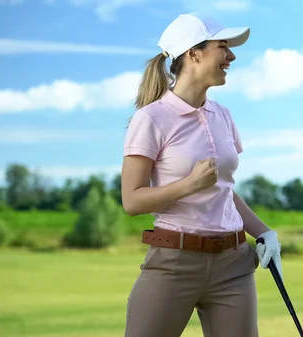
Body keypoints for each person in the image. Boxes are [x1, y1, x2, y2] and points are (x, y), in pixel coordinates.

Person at [120, 12, 282, 337]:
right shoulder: (151, 118)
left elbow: (223, 190)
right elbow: (132, 200)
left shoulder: (223, 115)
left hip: (234, 264)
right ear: (193, 52)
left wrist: (265, 233)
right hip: (174, 262)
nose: (231, 56)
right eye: (223, 47)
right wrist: (190, 184)